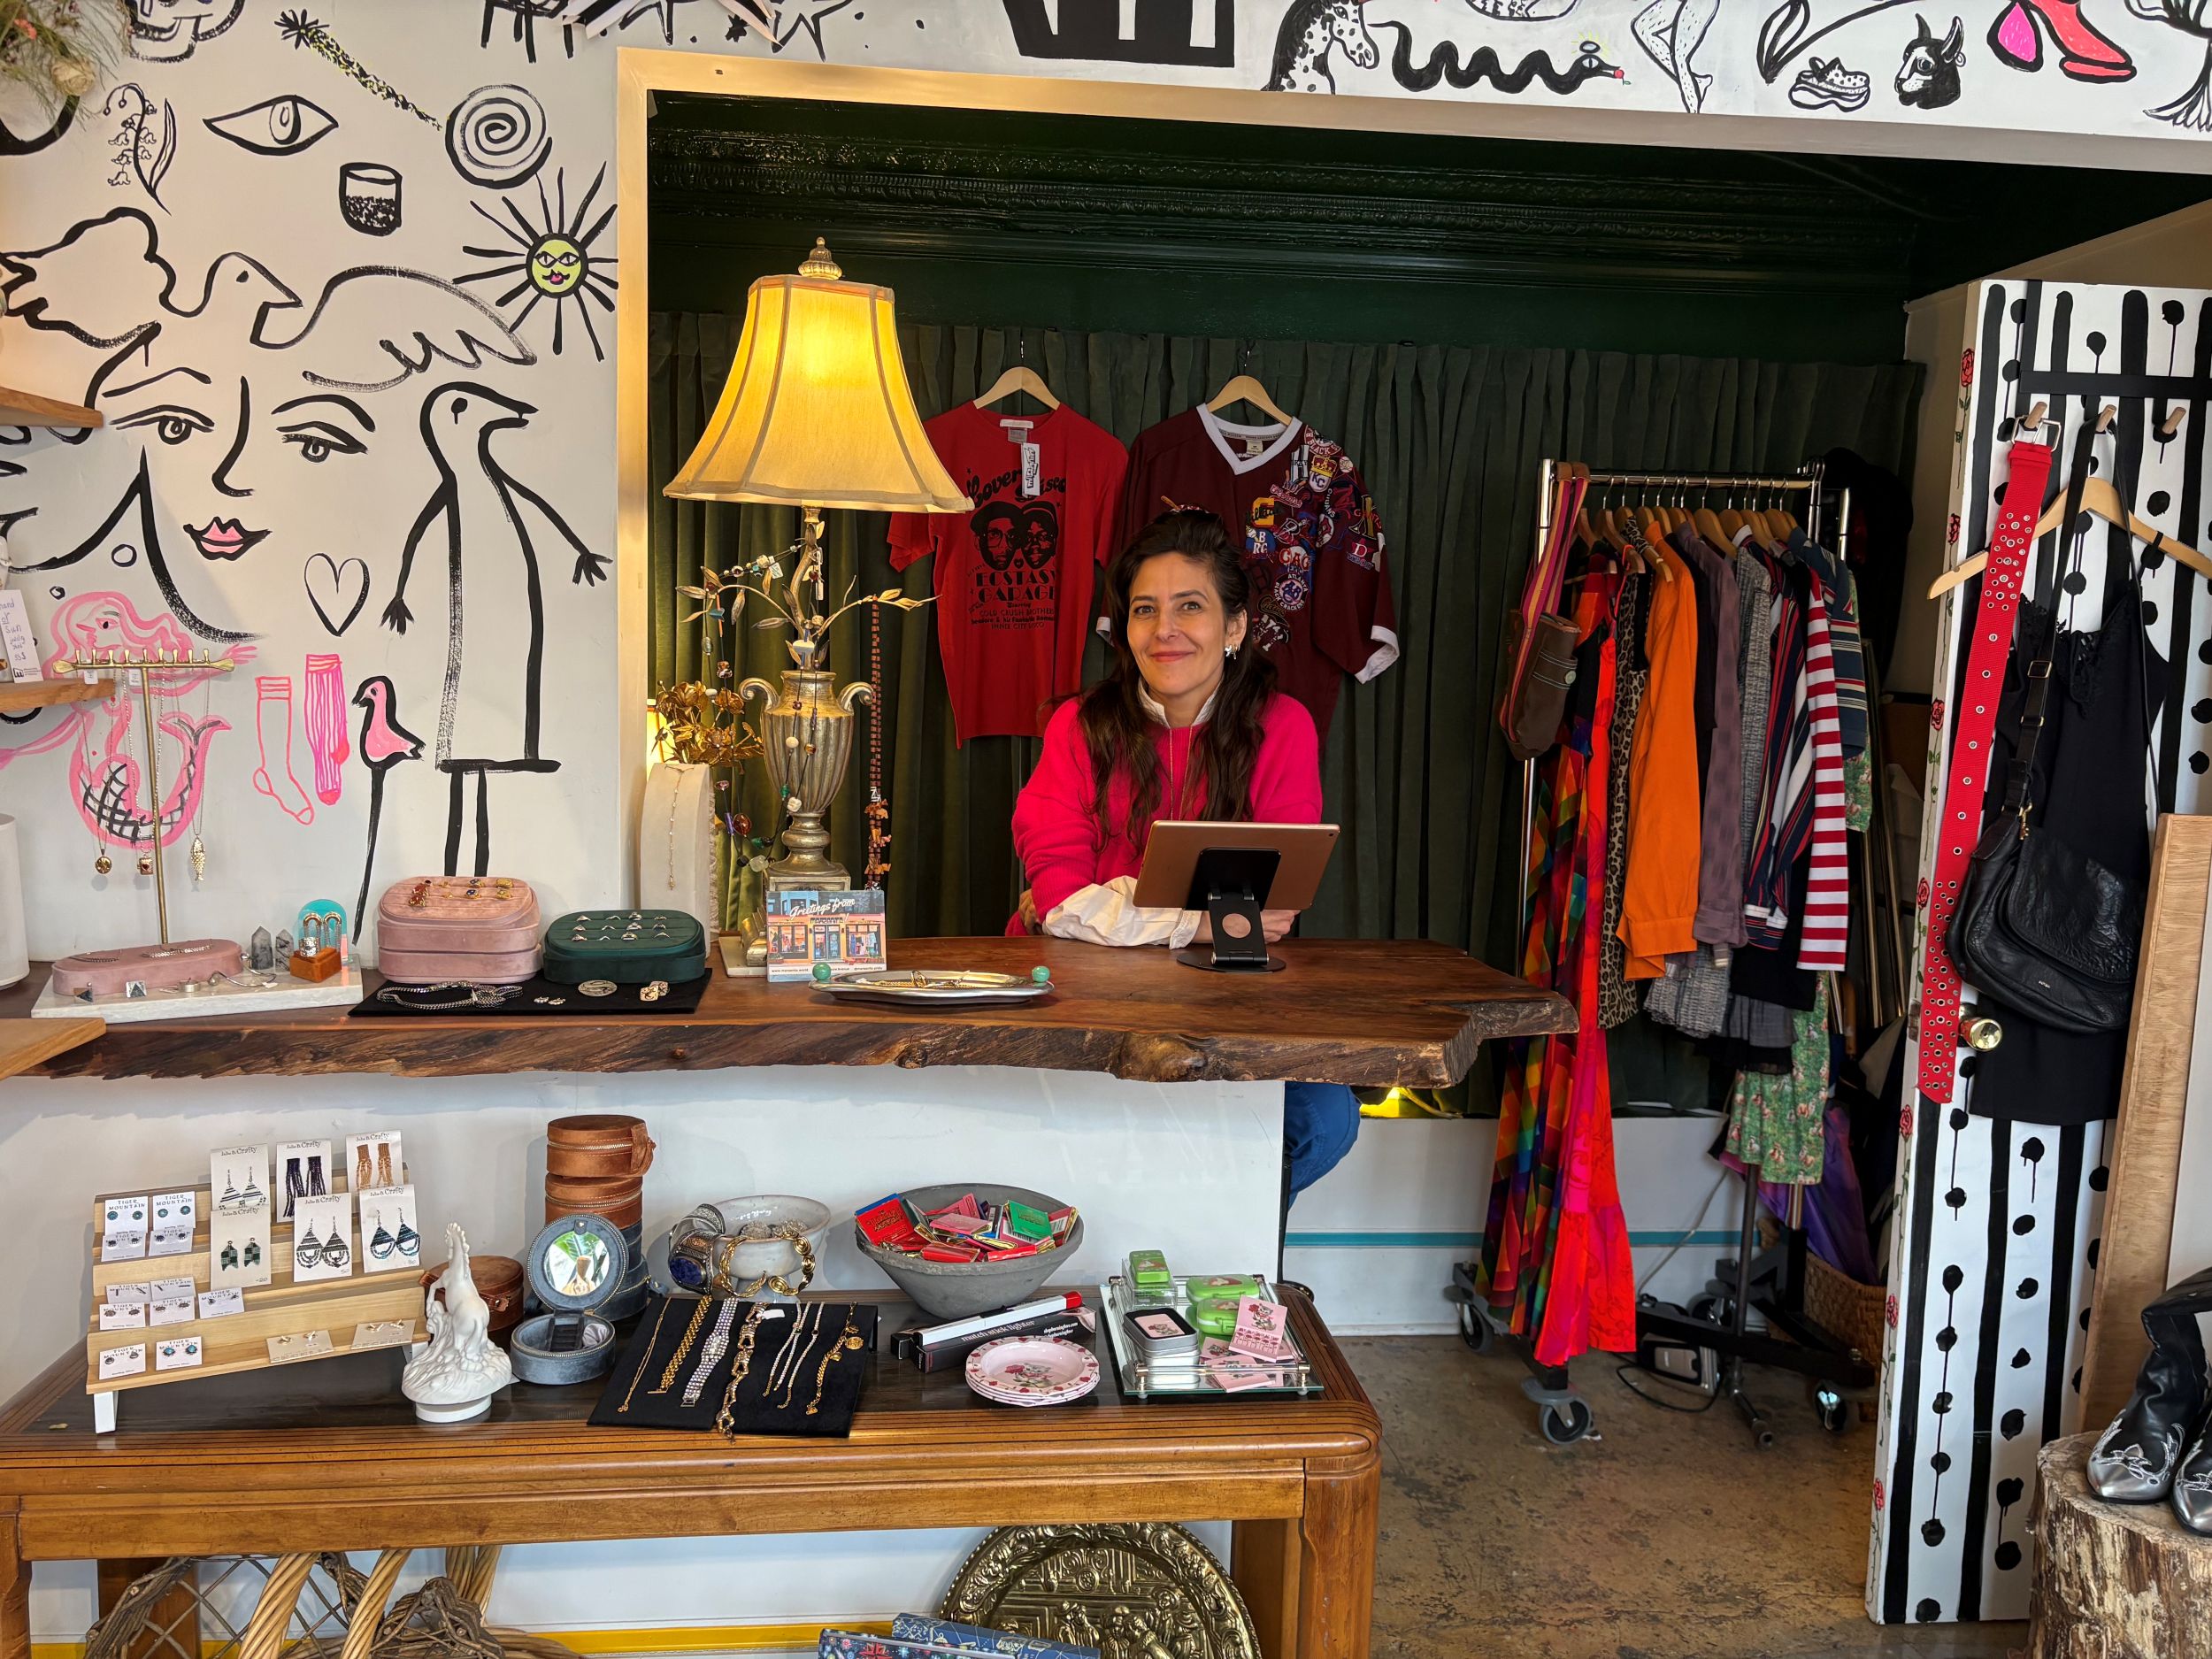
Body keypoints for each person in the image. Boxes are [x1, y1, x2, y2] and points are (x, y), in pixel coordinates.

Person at [1010, 507, 1359, 1203]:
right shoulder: (1077, 727)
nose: (1164, 629)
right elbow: (1057, 901)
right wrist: (1200, 919)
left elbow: (1275, 907)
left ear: (1234, 627)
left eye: (1190, 607)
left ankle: (1221, 1263)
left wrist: (1117, 896)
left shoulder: (1283, 727)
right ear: (1125, 629)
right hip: (1077, 997)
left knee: (1324, 1118)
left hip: (1228, 1001)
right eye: (1145, 609)